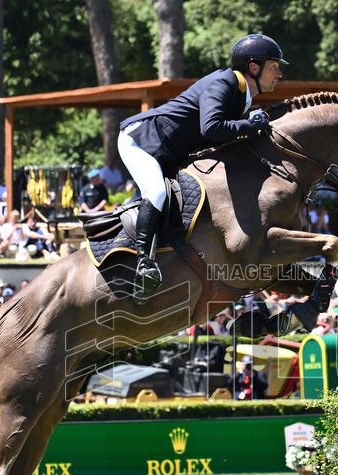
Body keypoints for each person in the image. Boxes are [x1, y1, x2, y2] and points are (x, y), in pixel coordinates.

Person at [117, 33, 285, 300]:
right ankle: (143, 263)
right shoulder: (223, 83)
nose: (279, 73)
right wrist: (250, 126)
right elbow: (212, 127)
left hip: (170, 152)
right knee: (157, 192)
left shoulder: (243, 96)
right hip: (142, 140)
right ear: (254, 67)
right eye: (275, 66)